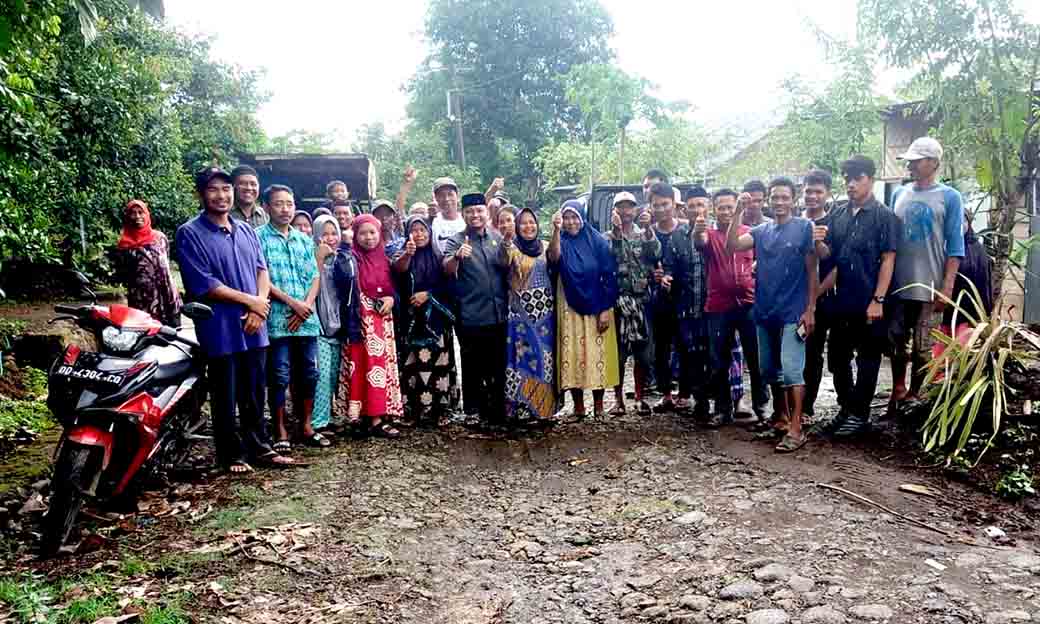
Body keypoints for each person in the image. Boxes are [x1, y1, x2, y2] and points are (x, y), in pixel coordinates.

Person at [175, 167, 292, 473]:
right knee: (225, 392)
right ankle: (231, 455)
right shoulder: (190, 233)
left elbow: (262, 271)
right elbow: (205, 284)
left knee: (255, 389)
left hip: (254, 324)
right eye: (213, 189)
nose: (221, 195)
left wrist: (259, 307)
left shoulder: (245, 230)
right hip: (220, 326)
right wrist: (251, 301)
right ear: (201, 194)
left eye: (226, 189)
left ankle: (260, 447)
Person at [726, 177, 817, 453]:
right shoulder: (761, 231)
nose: (779, 202)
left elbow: (812, 270)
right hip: (765, 310)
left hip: (793, 311)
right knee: (768, 369)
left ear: (793, 199)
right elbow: (732, 245)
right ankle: (780, 417)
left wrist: (810, 309)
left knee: (791, 370)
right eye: (775, 197)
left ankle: (796, 428)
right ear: (767, 199)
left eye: (785, 197)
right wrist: (738, 212)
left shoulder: (804, 228)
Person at [815, 156, 901, 437]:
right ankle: (847, 407)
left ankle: (860, 414)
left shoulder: (884, 216)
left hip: (870, 300)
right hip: (841, 299)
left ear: (871, 179)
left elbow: (888, 259)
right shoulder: (838, 214)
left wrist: (878, 300)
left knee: (868, 358)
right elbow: (830, 257)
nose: (851, 184)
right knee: (837, 357)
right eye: (847, 179)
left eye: (857, 178)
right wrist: (817, 242)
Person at [889, 137, 965, 411]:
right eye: (909, 161)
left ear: (933, 163)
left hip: (930, 285)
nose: (910, 165)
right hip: (898, 284)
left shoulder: (950, 197)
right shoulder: (899, 193)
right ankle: (898, 388)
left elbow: (955, 247)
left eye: (916, 161)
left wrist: (947, 288)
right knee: (896, 340)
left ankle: (915, 393)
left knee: (924, 346)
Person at [256, 185, 326, 450]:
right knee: (279, 375)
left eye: (289, 203)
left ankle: (306, 426)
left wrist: (305, 306)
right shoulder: (258, 238)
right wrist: (292, 304)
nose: (285, 209)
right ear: (266, 207)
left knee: (310, 373)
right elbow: (261, 277)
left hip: (306, 320)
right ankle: (280, 430)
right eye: (278, 204)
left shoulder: (304, 240)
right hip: (278, 320)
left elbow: (315, 276)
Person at [696, 189, 769, 427]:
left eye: (730, 207)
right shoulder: (709, 234)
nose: (726, 212)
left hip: (749, 303)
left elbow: (762, 258)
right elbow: (699, 241)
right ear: (714, 209)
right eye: (722, 208)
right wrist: (697, 230)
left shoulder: (749, 233)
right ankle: (722, 409)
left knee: (756, 358)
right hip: (719, 306)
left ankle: (761, 407)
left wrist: (755, 268)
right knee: (719, 361)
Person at [548, 199, 620, 420]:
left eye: (574, 217)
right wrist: (556, 230)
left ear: (582, 217)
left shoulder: (597, 240)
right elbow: (553, 258)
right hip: (568, 304)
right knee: (572, 354)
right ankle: (578, 407)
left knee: (596, 354)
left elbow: (609, 274)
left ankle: (598, 406)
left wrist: (606, 308)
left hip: (596, 304)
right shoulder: (561, 240)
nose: (571, 222)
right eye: (566, 218)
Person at [443, 193, 509, 427]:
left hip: (499, 313)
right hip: (470, 315)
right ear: (463, 214)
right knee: (472, 365)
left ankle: (497, 409)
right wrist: (457, 256)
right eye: (470, 211)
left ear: (486, 213)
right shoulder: (456, 240)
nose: (475, 215)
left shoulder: (497, 238)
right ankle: (473, 410)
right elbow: (447, 268)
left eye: (479, 210)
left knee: (498, 364)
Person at [334, 214, 404, 437]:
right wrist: (345, 246)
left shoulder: (385, 257)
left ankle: (377, 416)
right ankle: (360, 417)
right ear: (355, 235)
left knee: (379, 368)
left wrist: (391, 298)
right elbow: (343, 279)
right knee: (359, 365)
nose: (368, 237)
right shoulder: (350, 257)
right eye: (362, 233)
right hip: (359, 319)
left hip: (382, 320)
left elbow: (395, 286)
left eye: (372, 232)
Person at [392, 215, 459, 427]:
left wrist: (428, 294)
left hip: (436, 321)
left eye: (423, 230)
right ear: (408, 234)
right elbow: (398, 273)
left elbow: (449, 285)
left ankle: (440, 410)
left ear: (429, 233)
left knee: (439, 366)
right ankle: (415, 409)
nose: (419, 234)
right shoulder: (403, 255)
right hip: (413, 321)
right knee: (414, 364)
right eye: (414, 230)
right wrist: (408, 254)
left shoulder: (438, 257)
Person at [498, 207, 559, 428]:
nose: (528, 226)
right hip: (520, 315)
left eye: (532, 222)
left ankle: (544, 410)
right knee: (521, 361)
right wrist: (506, 241)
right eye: (523, 223)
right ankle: (520, 410)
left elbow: (555, 257)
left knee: (545, 360)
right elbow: (503, 262)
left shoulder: (544, 245)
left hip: (545, 314)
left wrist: (556, 230)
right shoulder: (512, 247)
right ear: (516, 226)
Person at [648, 182, 704, 415]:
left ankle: (685, 393)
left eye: (665, 204)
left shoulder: (685, 229)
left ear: (674, 204)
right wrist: (654, 275)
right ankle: (666, 394)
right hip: (659, 299)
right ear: (650, 206)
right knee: (661, 347)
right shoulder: (648, 232)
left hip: (686, 298)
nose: (661, 209)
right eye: (656, 205)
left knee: (685, 346)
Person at [607, 192, 660, 416]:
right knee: (618, 356)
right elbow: (611, 257)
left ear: (636, 210)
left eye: (629, 207)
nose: (625, 211)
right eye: (621, 207)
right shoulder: (608, 237)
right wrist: (617, 233)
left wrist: (648, 229)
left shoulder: (644, 234)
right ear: (614, 210)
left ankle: (639, 397)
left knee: (643, 355)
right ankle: (618, 400)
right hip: (618, 303)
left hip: (641, 302)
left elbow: (655, 253)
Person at [800, 170, 837, 419]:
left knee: (813, 352)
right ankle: (790, 407)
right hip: (793, 298)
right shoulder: (794, 221)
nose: (812, 196)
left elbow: (832, 262)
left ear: (828, 194)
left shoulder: (835, 222)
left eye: (818, 192)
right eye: (808, 191)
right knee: (794, 351)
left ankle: (806, 407)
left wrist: (814, 297)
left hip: (823, 300)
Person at [111, 199, 182, 327]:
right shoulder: (124, 246)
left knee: (171, 334)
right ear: (128, 217)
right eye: (133, 213)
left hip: (167, 296)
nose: (137, 216)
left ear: (147, 214)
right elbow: (125, 275)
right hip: (142, 300)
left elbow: (166, 263)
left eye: (140, 212)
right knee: (146, 333)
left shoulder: (160, 238)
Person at [311, 214, 352, 433]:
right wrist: (319, 259)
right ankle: (318, 422)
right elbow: (310, 284)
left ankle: (332, 416)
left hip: (340, 327)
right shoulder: (311, 257)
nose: (330, 238)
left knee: (336, 374)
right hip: (319, 326)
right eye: (324, 234)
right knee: (322, 376)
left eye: (334, 233)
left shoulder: (342, 259)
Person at [431, 177, 466, 249]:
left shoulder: (467, 220)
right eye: (441, 195)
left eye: (450, 194)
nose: (446, 199)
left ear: (457, 196)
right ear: (435, 198)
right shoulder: (432, 222)